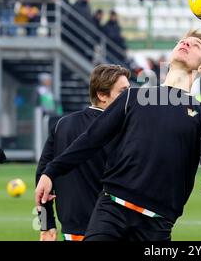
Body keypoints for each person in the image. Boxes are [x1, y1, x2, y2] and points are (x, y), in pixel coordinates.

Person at [36, 29, 201, 241]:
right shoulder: (133, 97)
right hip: (111, 209)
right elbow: (91, 139)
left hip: (157, 223)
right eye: (183, 41)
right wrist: (50, 172)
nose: (186, 44)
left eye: (196, 45)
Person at [36, 64, 130, 241]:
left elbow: (41, 179)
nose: (129, 98)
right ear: (102, 95)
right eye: (123, 92)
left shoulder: (61, 125)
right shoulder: (122, 129)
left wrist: (45, 224)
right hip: (111, 230)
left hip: (72, 231)